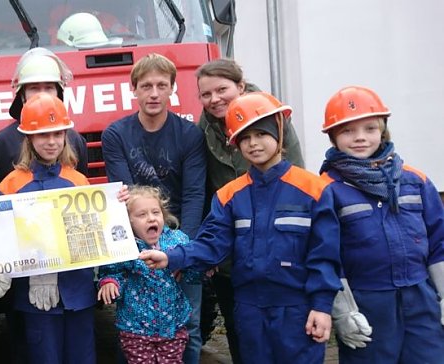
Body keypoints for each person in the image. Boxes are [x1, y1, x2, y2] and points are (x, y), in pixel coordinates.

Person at [140, 92, 342, 364]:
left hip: (298, 309)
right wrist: (171, 257)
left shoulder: (314, 190)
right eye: (244, 138)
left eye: (260, 134)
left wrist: (321, 306)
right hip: (249, 310)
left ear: (279, 133)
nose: (253, 143)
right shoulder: (229, 195)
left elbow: (325, 255)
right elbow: (212, 245)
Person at [318, 86, 444, 363]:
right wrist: (343, 311)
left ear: (383, 130)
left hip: (420, 299)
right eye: (348, 131)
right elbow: (325, 258)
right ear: (333, 136)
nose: (360, 137)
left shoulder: (415, 180)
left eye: (370, 128)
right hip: (366, 304)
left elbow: (439, 243)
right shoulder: (326, 190)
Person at [194, 58, 305, 362]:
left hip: (279, 247)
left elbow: (294, 178)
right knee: (240, 332)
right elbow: (205, 189)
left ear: (240, 86)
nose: (215, 99)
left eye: (222, 89)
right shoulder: (202, 129)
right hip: (232, 249)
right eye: (206, 94)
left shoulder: (270, 116)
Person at [101, 53, 206, 363]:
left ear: (173, 88)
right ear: (134, 89)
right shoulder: (116, 134)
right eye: (146, 86)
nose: (154, 93)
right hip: (136, 245)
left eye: (162, 85)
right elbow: (126, 196)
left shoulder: (189, 135)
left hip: (180, 241)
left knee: (190, 327)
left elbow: (194, 193)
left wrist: (180, 253)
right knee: (133, 331)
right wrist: (140, 250)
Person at [0, 93, 97, 364]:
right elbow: (3, 240)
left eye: (57, 133)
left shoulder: (79, 182)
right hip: (35, 298)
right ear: (28, 138)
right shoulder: (10, 185)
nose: (52, 141)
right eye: (43, 135)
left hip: (78, 292)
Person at [97, 185, 197, 363]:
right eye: (141, 215)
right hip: (135, 328)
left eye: (155, 212)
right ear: (127, 221)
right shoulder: (124, 247)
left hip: (172, 326)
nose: (151, 218)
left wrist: (203, 267)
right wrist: (109, 281)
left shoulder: (178, 240)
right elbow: (112, 269)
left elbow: (192, 268)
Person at [0, 47, 89, 178]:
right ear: (22, 95)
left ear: (58, 93)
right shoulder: (2, 143)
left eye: (49, 87)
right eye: (34, 88)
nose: (42, 93)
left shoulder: (75, 140)